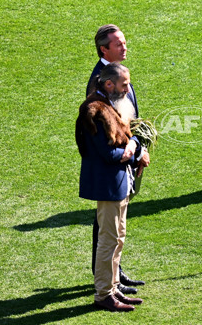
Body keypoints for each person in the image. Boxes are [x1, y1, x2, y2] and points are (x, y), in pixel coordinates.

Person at [76, 63, 150, 311]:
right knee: (108, 240)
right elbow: (107, 154)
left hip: (117, 183)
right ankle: (103, 294)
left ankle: (113, 287)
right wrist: (130, 151)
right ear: (109, 85)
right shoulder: (95, 111)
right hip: (107, 184)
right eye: (125, 85)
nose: (128, 89)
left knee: (118, 238)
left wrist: (134, 147)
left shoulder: (108, 105)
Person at [87, 24, 145, 295]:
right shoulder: (100, 82)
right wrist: (131, 151)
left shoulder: (118, 74)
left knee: (116, 229)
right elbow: (107, 132)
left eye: (124, 41)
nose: (124, 47)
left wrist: (139, 148)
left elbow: (131, 116)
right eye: (118, 44)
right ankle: (107, 282)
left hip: (125, 160)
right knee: (106, 228)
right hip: (113, 164)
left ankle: (114, 275)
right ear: (104, 49)